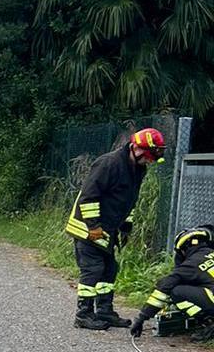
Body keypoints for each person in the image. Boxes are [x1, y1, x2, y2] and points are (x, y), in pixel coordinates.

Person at [65, 127, 166, 330]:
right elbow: (88, 196)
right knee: (93, 270)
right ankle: (83, 314)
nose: (148, 161)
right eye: (147, 157)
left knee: (110, 269)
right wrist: (93, 226)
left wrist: (126, 225)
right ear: (136, 148)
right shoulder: (109, 163)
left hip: (108, 228)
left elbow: (127, 200)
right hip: (87, 228)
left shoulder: (138, 168)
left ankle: (104, 311)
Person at [130, 226, 214, 340]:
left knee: (176, 291)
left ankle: (209, 323)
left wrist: (141, 318)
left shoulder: (189, 265)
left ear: (185, 248)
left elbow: (163, 289)